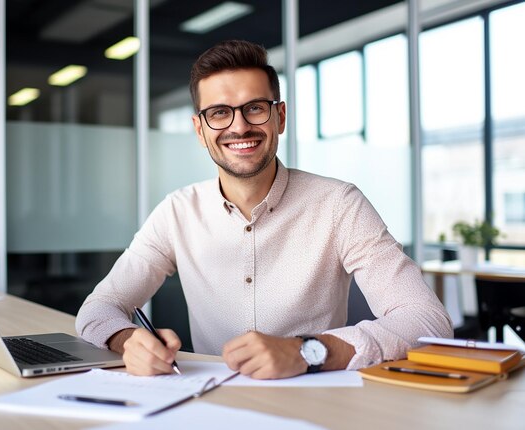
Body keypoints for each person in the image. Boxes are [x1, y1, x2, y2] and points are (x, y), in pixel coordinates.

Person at [76, 40, 453, 379]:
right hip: (209, 404)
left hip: (317, 401)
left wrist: (307, 351)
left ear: (280, 117)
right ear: (199, 129)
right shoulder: (177, 211)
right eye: (219, 113)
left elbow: (428, 321)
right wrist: (128, 342)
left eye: (255, 108)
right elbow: (100, 308)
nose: (239, 127)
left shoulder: (339, 204)